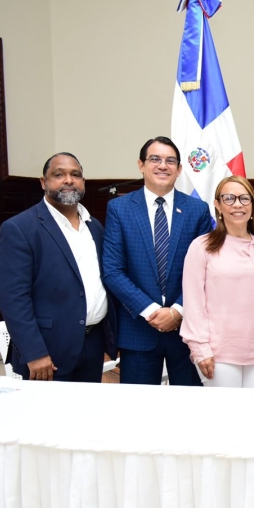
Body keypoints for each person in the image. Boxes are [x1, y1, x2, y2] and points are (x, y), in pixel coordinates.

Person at [0, 153, 116, 382]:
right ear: (44, 182)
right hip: (47, 351)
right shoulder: (20, 228)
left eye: (75, 175)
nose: (68, 180)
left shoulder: (95, 227)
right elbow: (12, 298)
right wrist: (34, 352)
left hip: (92, 344)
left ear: (83, 182)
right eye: (59, 175)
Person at [103, 136, 213, 386]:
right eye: (155, 159)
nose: (163, 165)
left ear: (179, 169)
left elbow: (207, 270)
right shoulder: (119, 209)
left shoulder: (197, 210)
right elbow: (112, 270)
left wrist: (177, 311)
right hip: (138, 329)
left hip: (187, 330)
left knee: (190, 404)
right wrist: (152, 311)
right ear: (141, 165)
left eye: (170, 161)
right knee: (140, 406)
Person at [180, 176, 254, 388]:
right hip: (217, 353)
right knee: (226, 410)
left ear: (253, 204)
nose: (238, 204)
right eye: (229, 198)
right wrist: (200, 348)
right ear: (218, 205)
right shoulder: (201, 247)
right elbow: (194, 303)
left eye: (244, 198)